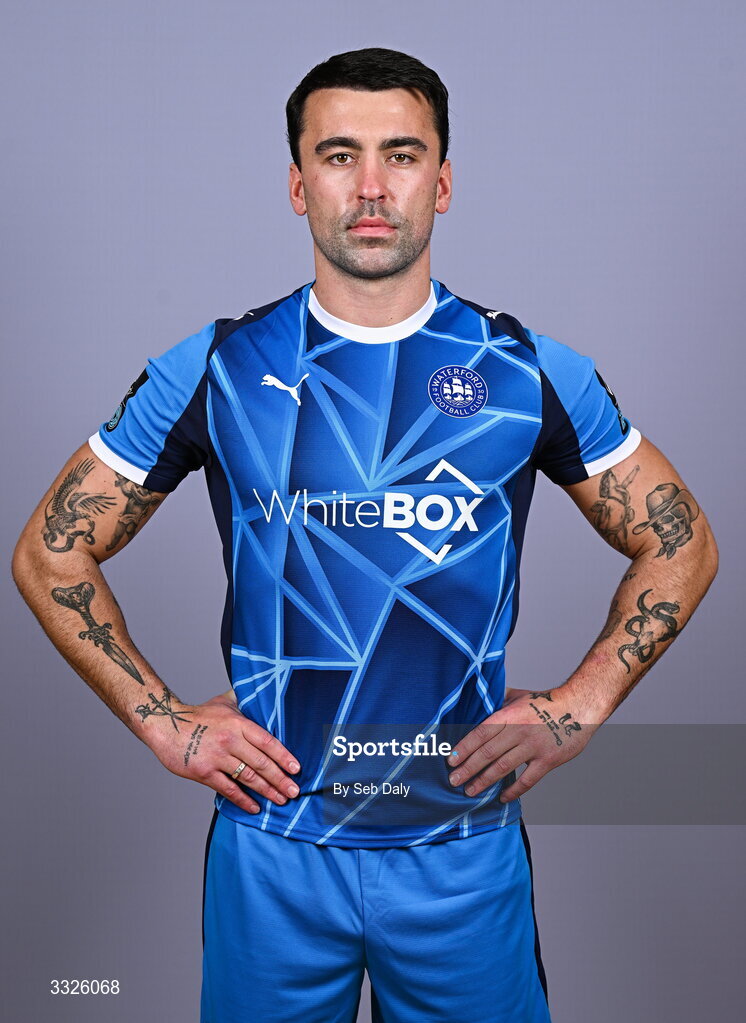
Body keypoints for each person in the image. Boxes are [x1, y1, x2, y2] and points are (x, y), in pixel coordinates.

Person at [12, 46, 718, 1023]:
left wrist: (577, 708)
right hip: (275, 843)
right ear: (298, 185)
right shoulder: (218, 367)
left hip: (459, 848)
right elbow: (49, 549)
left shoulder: (525, 370)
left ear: (443, 182)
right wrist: (163, 721)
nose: (373, 185)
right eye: (340, 155)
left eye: (402, 154)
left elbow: (681, 541)